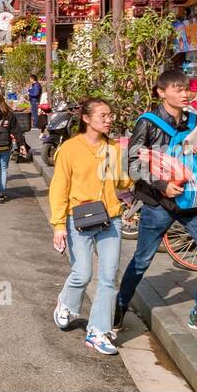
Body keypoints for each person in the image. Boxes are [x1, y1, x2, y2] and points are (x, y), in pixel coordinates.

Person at [116, 69, 197, 339]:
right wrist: (161, 184)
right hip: (158, 204)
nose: (184, 93)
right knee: (142, 260)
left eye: (186, 88)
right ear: (161, 92)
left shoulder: (195, 121)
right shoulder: (149, 123)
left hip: (191, 202)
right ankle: (119, 307)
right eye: (177, 89)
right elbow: (131, 164)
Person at [49, 98, 132, 355]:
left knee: (109, 277)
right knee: (82, 273)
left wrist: (134, 173)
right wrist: (58, 224)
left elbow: (120, 182)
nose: (109, 120)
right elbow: (59, 187)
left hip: (110, 218)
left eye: (110, 115)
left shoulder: (113, 148)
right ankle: (66, 302)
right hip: (79, 219)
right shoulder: (70, 149)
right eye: (103, 115)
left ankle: (98, 331)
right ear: (86, 118)